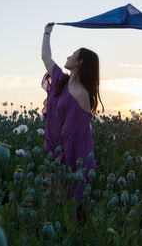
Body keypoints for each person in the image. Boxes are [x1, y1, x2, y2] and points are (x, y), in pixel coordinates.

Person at [41, 22, 104, 228]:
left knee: (69, 211)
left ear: (79, 62)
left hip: (70, 158)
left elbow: (77, 134)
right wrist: (47, 32)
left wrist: (62, 162)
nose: (68, 56)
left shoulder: (82, 94)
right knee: (51, 207)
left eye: (72, 54)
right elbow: (45, 57)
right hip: (55, 155)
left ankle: (77, 238)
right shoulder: (60, 80)